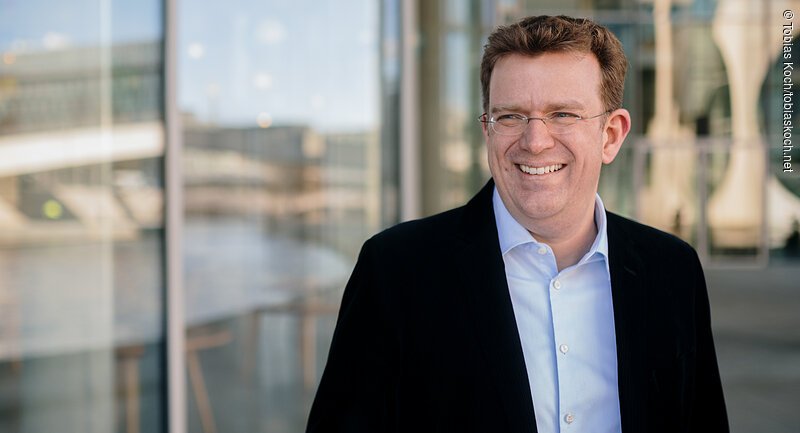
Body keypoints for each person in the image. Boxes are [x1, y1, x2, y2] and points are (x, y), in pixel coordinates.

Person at [306, 15, 728, 433]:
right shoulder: (396, 271)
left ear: (611, 135)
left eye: (563, 114)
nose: (535, 140)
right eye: (510, 116)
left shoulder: (672, 270)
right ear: (487, 130)